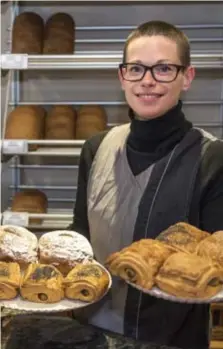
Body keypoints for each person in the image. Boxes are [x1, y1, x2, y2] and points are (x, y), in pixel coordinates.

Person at [70, 20, 223, 349]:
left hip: (174, 340)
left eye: (164, 68)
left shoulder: (212, 157)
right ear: (122, 76)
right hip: (90, 334)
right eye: (136, 69)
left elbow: (217, 262)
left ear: (187, 77)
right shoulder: (96, 148)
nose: (148, 81)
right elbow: (80, 235)